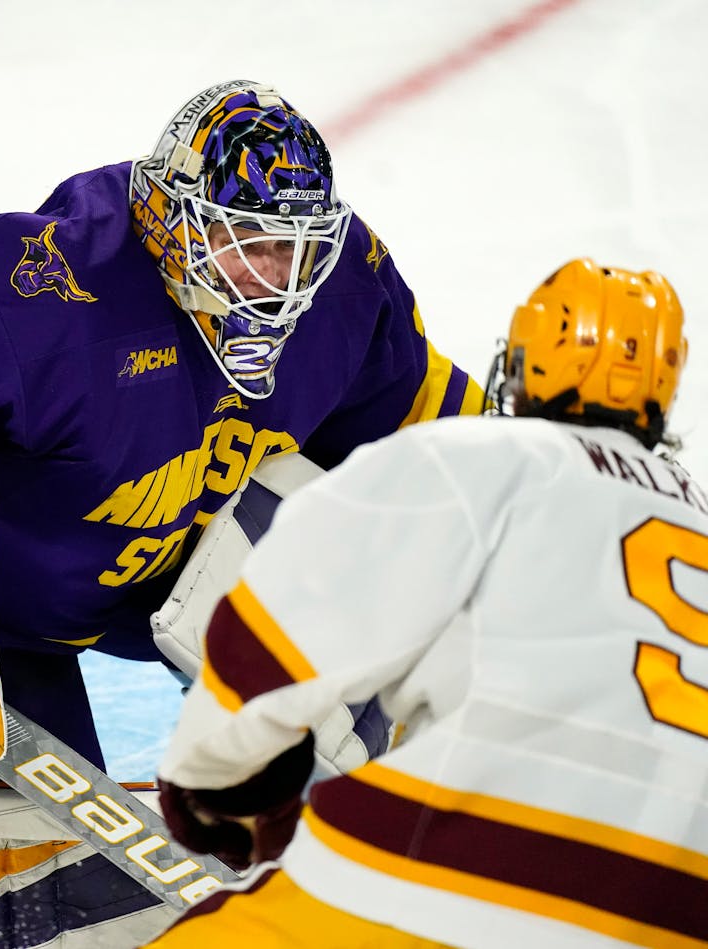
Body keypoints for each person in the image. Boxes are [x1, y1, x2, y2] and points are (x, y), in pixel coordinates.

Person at [0, 79, 483, 775]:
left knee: (348, 530)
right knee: (29, 834)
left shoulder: (342, 290)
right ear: (168, 218)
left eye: (293, 248)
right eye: (245, 241)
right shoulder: (49, 293)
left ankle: (315, 804)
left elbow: (443, 439)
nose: (274, 278)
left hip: (153, 584)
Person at [146, 258, 707, 947]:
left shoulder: (480, 455)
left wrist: (211, 782)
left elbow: (282, 623)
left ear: (527, 361)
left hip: (477, 860)